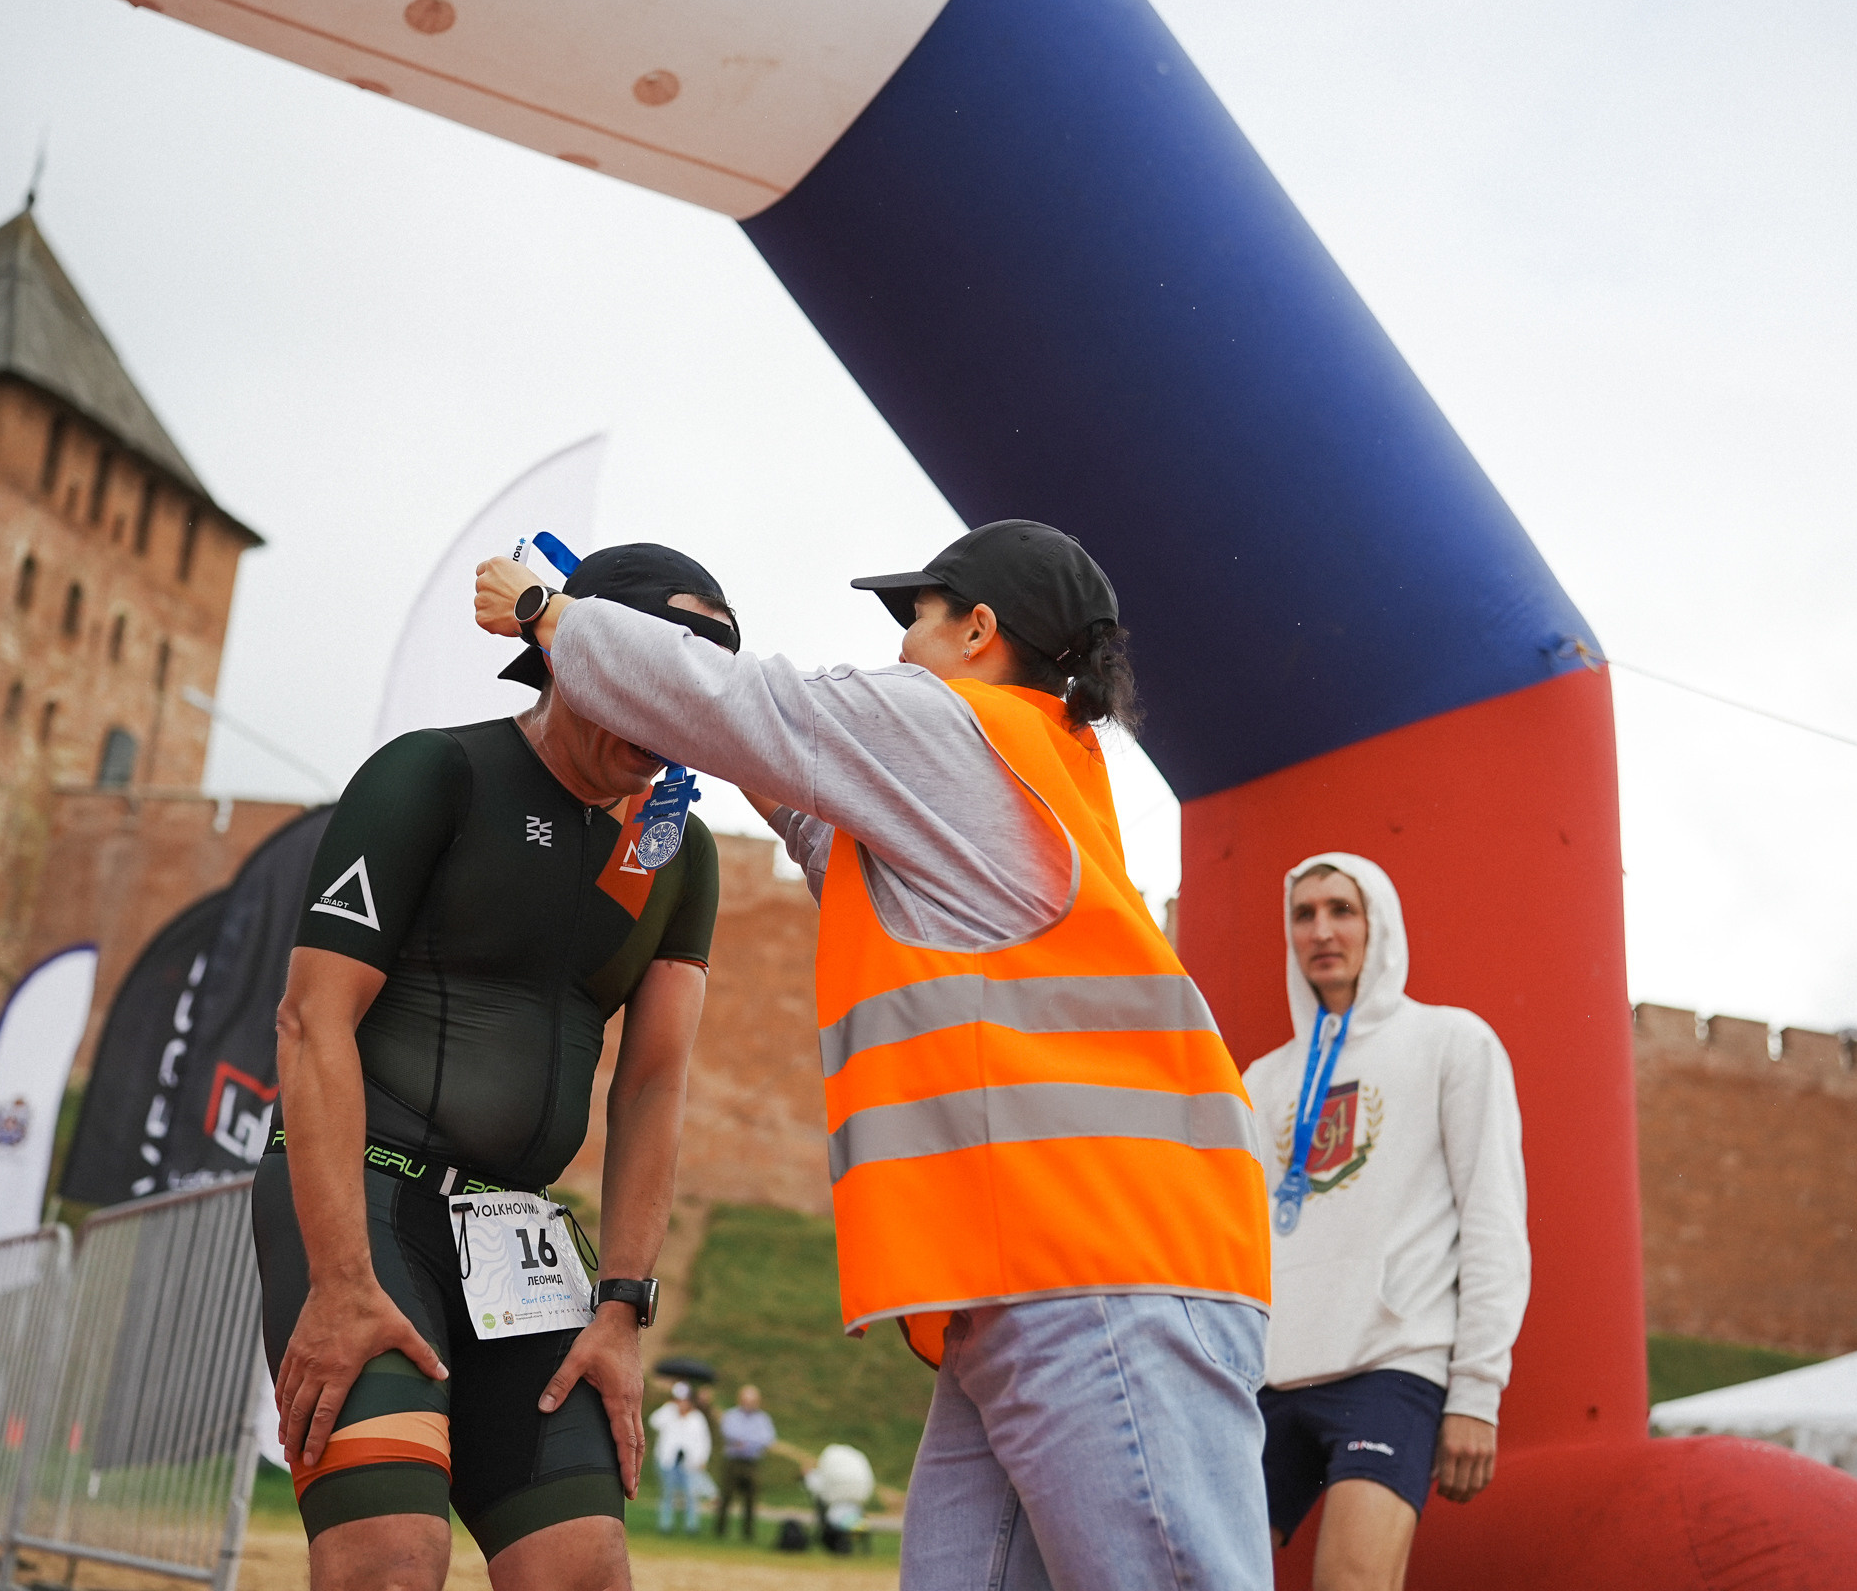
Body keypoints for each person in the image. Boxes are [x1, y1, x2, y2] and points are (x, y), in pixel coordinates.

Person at [475, 518, 1272, 1591]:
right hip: (1037, 1282)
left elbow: (758, 714)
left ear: (980, 629)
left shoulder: (960, 727)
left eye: (919, 620)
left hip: (1101, 1271)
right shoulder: (1020, 763)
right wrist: (681, 692)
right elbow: (798, 788)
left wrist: (553, 618)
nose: (899, 649)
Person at [258, 544, 739, 1591]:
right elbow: (311, 1020)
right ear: (572, 655)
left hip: (517, 1240)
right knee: (390, 1560)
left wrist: (621, 1308)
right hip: (369, 1206)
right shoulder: (435, 773)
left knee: (582, 1570)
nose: (659, 736)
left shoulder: (679, 853)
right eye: (642, 692)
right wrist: (340, 1278)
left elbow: (653, 1085)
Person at [1241, 855, 1530, 1591]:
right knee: (1194, 1574)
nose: (1322, 930)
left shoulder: (1452, 1042)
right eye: (1303, 915)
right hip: (1269, 1377)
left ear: (1381, 922)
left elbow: (1494, 1219)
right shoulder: (1262, 1079)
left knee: (1350, 1585)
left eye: (1342, 909)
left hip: (1392, 1366)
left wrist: (1475, 1392)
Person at [714, 1383, 775, 1540]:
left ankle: (748, 1533)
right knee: (726, 1496)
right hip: (733, 1461)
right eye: (746, 1400)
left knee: (750, 1499)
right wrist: (751, 1441)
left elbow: (767, 1439)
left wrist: (746, 1442)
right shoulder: (732, 1416)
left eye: (752, 1400)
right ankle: (720, 1530)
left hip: (752, 1463)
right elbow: (730, 1433)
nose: (749, 1404)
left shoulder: (763, 1419)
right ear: (740, 1400)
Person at [649, 1381, 712, 1533]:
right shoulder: (668, 1413)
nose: (681, 1403)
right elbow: (653, 1422)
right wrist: (668, 1408)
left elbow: (704, 1441)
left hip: (689, 1463)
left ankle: (691, 1526)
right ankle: (665, 1525)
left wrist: (702, 1459)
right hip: (668, 1461)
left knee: (691, 1494)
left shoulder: (697, 1419)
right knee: (668, 1493)